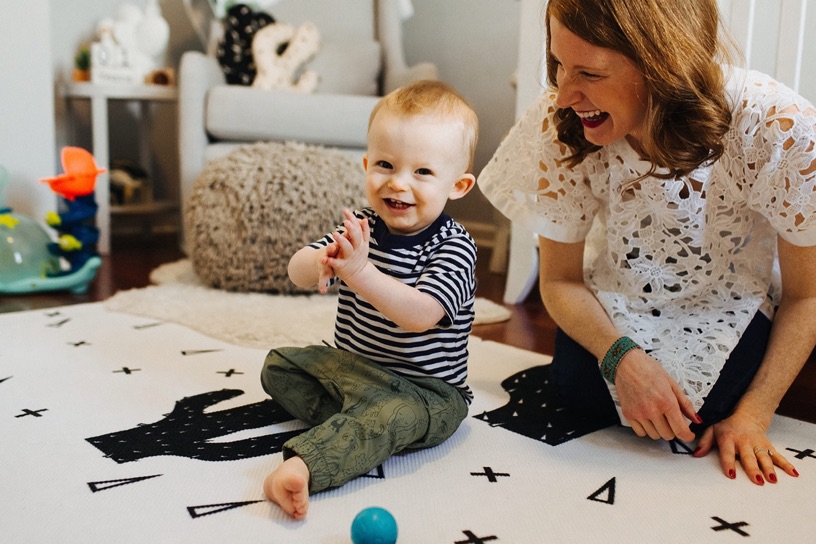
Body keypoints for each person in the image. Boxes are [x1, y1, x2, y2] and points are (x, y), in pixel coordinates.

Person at [478, 0, 816, 487]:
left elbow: (807, 296)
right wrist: (622, 359)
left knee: (710, 404)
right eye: (557, 65)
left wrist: (753, 415)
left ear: (663, 64)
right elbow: (559, 280)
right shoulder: (561, 121)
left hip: (729, 300)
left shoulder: (777, 125)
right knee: (578, 387)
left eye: (590, 74)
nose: (562, 96)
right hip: (618, 297)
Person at [260, 79, 479, 519]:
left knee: (392, 414)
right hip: (356, 370)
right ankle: (357, 423)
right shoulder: (362, 225)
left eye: (422, 172)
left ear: (458, 185)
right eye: (385, 164)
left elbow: (420, 315)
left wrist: (360, 273)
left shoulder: (455, 248)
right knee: (278, 366)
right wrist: (319, 260)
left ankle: (306, 464)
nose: (398, 183)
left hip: (427, 393)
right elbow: (295, 269)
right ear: (365, 165)